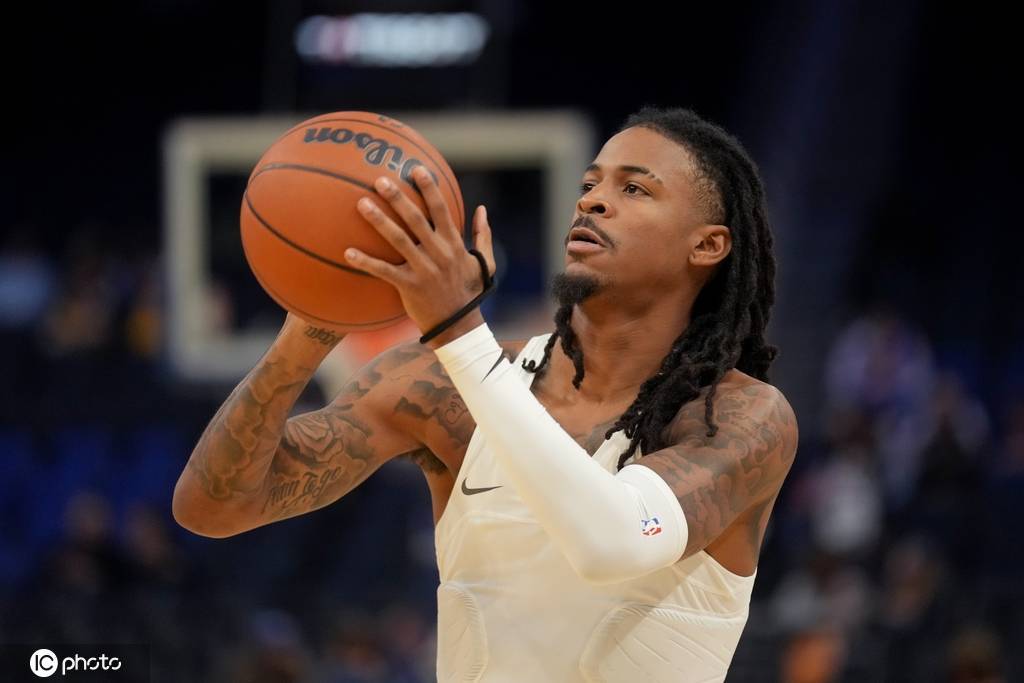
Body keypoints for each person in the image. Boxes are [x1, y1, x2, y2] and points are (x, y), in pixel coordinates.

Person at [173, 106, 799, 682]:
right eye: (589, 184)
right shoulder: (439, 384)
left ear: (707, 245)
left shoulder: (741, 418)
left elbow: (613, 541)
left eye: (633, 189)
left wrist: (457, 330)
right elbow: (212, 508)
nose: (593, 201)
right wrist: (311, 324)